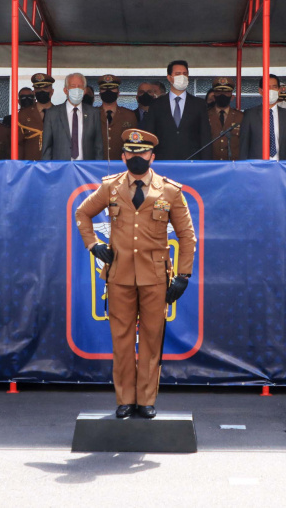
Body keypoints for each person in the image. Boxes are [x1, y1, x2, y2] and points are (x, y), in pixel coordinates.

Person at [74, 128, 196, 419]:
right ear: (123, 156)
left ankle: (146, 400)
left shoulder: (170, 190)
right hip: (119, 276)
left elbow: (187, 235)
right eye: (131, 152)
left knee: (153, 339)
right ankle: (125, 400)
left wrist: (184, 275)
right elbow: (82, 213)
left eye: (142, 153)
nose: (136, 157)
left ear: (152, 156)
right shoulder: (111, 187)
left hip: (155, 277)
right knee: (122, 339)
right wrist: (93, 244)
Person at [141, 60, 211, 160]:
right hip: (163, 162)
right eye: (178, 74)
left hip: (192, 162)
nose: (182, 77)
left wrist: (206, 165)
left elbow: (205, 138)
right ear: (169, 77)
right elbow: (149, 136)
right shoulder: (156, 105)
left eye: (185, 74)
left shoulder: (199, 104)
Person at [41, 72, 102, 160]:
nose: (76, 89)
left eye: (80, 86)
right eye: (73, 86)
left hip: (86, 169)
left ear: (84, 91)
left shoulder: (93, 113)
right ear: (65, 90)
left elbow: (98, 147)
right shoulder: (52, 113)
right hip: (61, 169)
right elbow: (47, 148)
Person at [240, 74, 286, 160]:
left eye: (274, 87)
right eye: (267, 87)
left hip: (282, 167)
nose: (271, 90)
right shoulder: (250, 115)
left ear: (279, 90)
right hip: (257, 168)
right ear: (260, 91)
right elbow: (244, 146)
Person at [98, 75, 138, 160]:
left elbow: (134, 143)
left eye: (112, 88)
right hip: (97, 164)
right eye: (104, 89)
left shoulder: (129, 115)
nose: (108, 91)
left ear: (118, 93)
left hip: (122, 164)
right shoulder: (93, 114)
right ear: (99, 93)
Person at [207, 77, 244, 160]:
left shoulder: (241, 117)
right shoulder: (205, 115)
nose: (222, 95)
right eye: (219, 92)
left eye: (226, 92)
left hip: (233, 167)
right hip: (210, 166)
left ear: (232, 96)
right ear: (214, 96)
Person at [16, 82, 44, 160]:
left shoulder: (43, 114)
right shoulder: (13, 118)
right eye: (23, 97)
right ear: (18, 101)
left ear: (34, 99)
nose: (26, 100)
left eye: (30, 97)